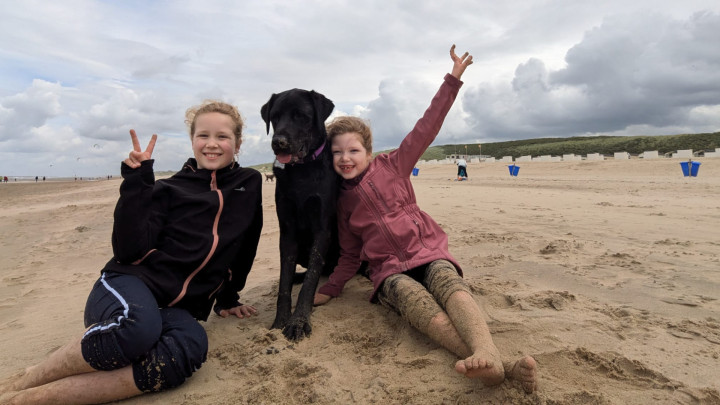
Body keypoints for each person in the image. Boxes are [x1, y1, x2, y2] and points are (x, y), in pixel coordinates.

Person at [0, 100, 263, 404]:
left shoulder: (250, 184)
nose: (212, 144)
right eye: (203, 135)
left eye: (223, 136)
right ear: (192, 141)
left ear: (238, 144)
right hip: (126, 286)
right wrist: (137, 183)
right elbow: (127, 250)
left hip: (177, 311)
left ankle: (28, 400)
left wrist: (228, 298)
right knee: (138, 330)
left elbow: (246, 244)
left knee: (187, 350)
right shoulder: (168, 188)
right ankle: (23, 381)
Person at [313, 45, 537, 393]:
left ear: (369, 153)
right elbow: (349, 253)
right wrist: (330, 288)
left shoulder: (395, 165)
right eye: (337, 153)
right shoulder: (342, 202)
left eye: (353, 150)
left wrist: (452, 81)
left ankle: (487, 353)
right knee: (412, 299)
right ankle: (497, 365)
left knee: (448, 283)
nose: (345, 158)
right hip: (388, 270)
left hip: (428, 252)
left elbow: (427, 127)